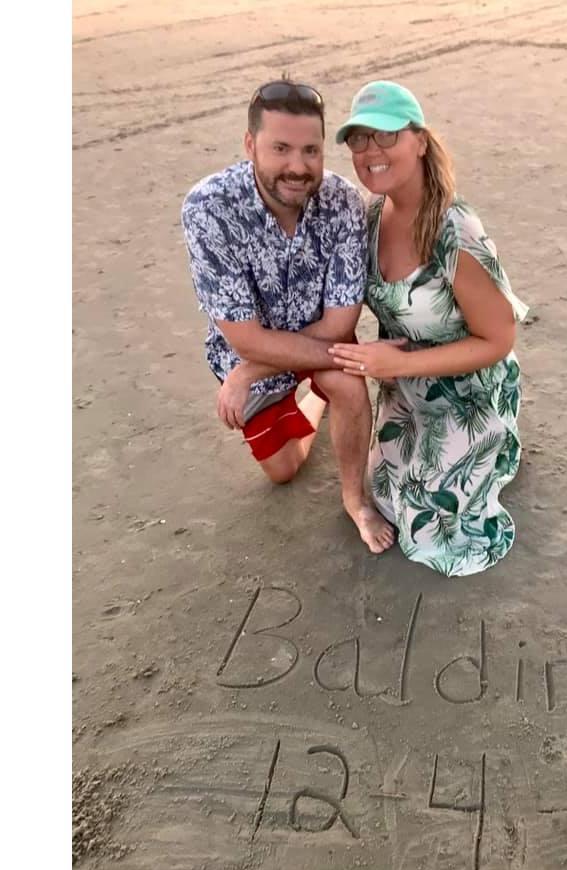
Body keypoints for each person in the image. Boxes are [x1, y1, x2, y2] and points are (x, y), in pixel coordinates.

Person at [180, 79, 395, 554]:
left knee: (348, 387)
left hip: (318, 343)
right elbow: (245, 339)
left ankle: (355, 500)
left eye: (310, 150)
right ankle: (313, 400)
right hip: (256, 351)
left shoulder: (342, 202)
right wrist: (249, 363)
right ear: (250, 144)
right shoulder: (209, 209)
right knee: (284, 471)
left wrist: (249, 372)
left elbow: (340, 324)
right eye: (281, 148)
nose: (298, 167)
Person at [329, 81, 528, 577]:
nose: (371, 151)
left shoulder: (453, 231)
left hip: (469, 392)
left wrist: (399, 363)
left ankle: (497, 442)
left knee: (431, 532)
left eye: (386, 136)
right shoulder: (372, 217)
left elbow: (499, 339)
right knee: (385, 494)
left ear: (419, 140)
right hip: (406, 390)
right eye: (359, 139)